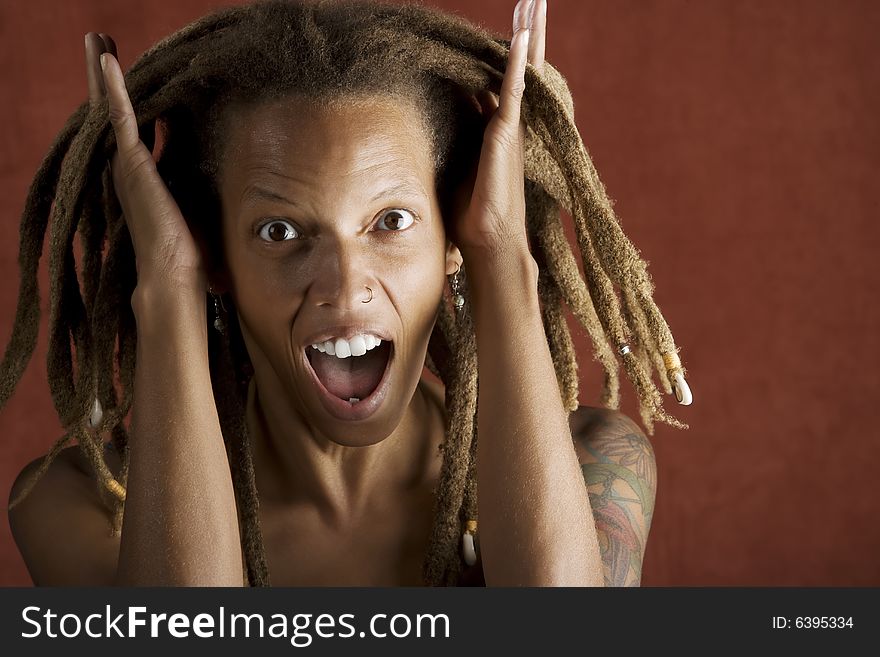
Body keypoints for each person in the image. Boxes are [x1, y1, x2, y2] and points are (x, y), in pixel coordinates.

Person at [2, 0, 691, 587]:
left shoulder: (598, 462)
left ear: (452, 234)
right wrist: (168, 287)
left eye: (391, 222)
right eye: (279, 230)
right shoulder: (85, 506)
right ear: (218, 255)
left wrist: (504, 257)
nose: (345, 285)